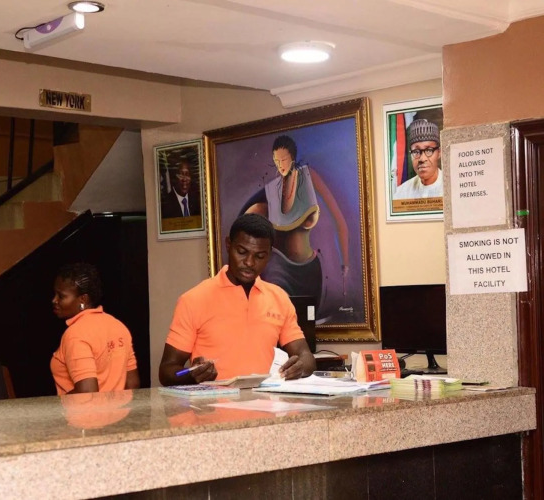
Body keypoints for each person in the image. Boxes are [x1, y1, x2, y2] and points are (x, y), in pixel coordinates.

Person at [158, 213, 316, 386]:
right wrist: (190, 375)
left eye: (259, 256)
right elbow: (167, 370)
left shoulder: (279, 298)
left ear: (269, 255)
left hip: (266, 401)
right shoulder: (193, 300)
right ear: (228, 245)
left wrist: (300, 367)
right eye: (242, 252)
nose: (249, 262)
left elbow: (305, 356)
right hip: (213, 402)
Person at [241, 135, 349, 310]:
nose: (280, 165)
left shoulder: (308, 176)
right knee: (278, 320)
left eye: (283, 159)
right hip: (278, 270)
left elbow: (339, 220)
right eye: (276, 161)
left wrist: (345, 263)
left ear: (292, 157)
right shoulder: (273, 189)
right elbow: (248, 216)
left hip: (309, 271)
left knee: (306, 322)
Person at [50, 262, 140, 395]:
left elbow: (87, 392)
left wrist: (53, 406)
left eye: (61, 296)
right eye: (55, 294)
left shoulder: (75, 334)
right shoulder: (118, 326)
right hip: (120, 408)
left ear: (83, 299)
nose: (54, 300)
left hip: (81, 410)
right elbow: (132, 383)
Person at [393, 119, 442, 200]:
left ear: (439, 153)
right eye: (416, 151)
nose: (422, 159)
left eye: (429, 150)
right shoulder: (402, 192)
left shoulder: (451, 186)